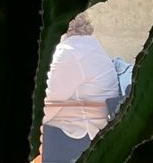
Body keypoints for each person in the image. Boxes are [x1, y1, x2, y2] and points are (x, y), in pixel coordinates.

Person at [42, 14, 120, 163]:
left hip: (76, 138)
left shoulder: (69, 52)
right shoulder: (88, 45)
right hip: (94, 134)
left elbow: (44, 105)